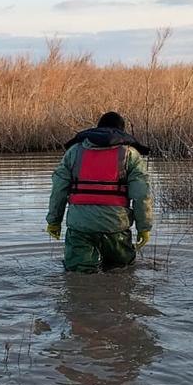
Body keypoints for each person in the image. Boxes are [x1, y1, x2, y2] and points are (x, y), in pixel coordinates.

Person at [45, 111, 153, 272]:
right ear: (122, 131)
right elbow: (141, 194)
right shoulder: (130, 154)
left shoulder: (74, 152)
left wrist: (54, 221)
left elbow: (58, 189)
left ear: (98, 127)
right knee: (122, 273)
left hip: (80, 227)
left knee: (79, 276)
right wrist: (144, 227)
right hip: (116, 226)